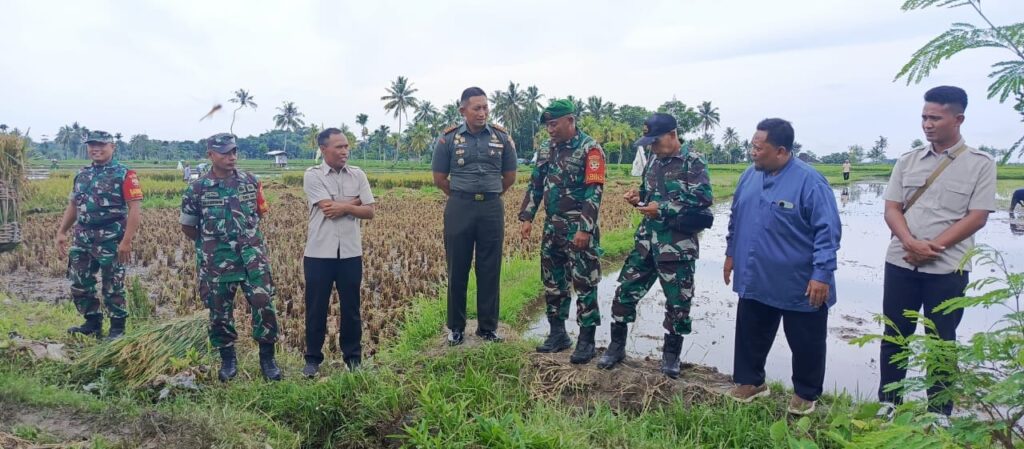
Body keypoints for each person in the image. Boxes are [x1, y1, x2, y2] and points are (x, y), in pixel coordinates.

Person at [879, 86, 996, 416]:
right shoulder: (908, 161)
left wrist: (934, 247)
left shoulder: (981, 164)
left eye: (935, 117)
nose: (927, 124)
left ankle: (938, 412)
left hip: (947, 268)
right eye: (924, 117)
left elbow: (978, 216)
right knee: (894, 335)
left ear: (958, 119)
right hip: (901, 262)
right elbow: (892, 209)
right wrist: (910, 243)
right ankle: (889, 402)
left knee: (942, 341)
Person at [724, 118, 841, 416]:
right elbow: (736, 219)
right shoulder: (748, 177)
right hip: (755, 273)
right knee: (751, 330)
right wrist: (730, 254)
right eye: (751, 146)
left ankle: (805, 393)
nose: (752, 152)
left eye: (758, 148)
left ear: (781, 151)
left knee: (806, 341)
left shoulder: (810, 182)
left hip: (798, 280)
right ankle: (751, 383)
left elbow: (828, 232)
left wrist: (822, 274)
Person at [596, 113, 713, 378]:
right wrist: (638, 197)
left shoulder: (692, 162)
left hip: (676, 247)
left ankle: (671, 357)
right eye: (649, 143)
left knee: (678, 304)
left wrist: (661, 208)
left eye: (656, 141)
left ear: (672, 135)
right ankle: (616, 347)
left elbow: (702, 204)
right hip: (646, 243)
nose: (653, 147)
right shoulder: (653, 161)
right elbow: (649, 194)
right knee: (625, 291)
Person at [180, 133, 282, 381]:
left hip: (252, 258)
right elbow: (189, 227)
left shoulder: (251, 181)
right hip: (216, 262)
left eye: (234, 151)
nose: (231, 157)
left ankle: (267, 359)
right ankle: (228, 359)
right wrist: (212, 246)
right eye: (225, 152)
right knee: (219, 312)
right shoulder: (197, 189)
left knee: (264, 305)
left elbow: (260, 213)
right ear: (211, 155)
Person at [519, 99, 605, 364]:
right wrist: (527, 216)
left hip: (578, 230)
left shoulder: (590, 149)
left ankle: (586, 341)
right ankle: (558, 334)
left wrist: (585, 229)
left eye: (554, 124)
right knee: (553, 281)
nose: (550, 130)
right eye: (547, 125)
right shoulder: (547, 148)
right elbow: (536, 183)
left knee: (584, 283)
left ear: (570, 120)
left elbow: (594, 192)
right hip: (552, 228)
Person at [431, 87, 517, 346]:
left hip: (491, 208)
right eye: (476, 108)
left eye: (485, 107)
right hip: (460, 207)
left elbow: (510, 177)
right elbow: (439, 178)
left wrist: (487, 194)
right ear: (463, 111)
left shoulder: (502, 138)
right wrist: (464, 195)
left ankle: (487, 328)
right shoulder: (448, 140)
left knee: (489, 269)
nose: (482, 113)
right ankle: (456, 328)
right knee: (457, 268)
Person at [301, 128, 376, 377]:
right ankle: (312, 359)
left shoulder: (358, 174)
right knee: (316, 308)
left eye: (346, 146)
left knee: (352, 309)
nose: (345, 151)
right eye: (339, 147)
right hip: (319, 253)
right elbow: (327, 209)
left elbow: (370, 211)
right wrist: (354, 202)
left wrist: (345, 205)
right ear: (323, 149)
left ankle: (353, 359)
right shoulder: (312, 176)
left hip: (351, 253)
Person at [56, 130, 143, 340]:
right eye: (92, 145)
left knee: (113, 285)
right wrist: (62, 231)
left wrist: (127, 241)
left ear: (112, 147)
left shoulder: (125, 174)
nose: (96, 149)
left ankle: (117, 329)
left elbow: (135, 210)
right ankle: (92, 323)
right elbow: (73, 206)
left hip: (111, 238)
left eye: (102, 145)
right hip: (83, 237)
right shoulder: (82, 174)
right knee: (79, 281)